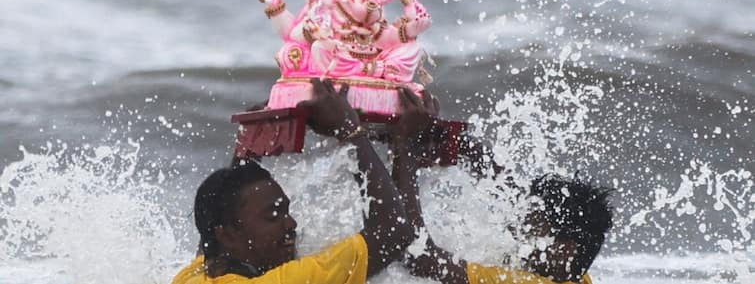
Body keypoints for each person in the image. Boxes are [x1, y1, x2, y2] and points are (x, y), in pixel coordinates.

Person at [172, 78, 420, 284]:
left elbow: (218, 215)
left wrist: (249, 146)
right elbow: (393, 234)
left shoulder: (193, 276)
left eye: (285, 211)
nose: (290, 223)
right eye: (272, 215)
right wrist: (351, 131)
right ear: (227, 236)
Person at [390, 88, 614, 284]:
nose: (517, 222)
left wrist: (405, 148)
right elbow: (507, 187)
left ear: (564, 250)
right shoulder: (575, 276)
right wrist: (453, 141)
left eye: (532, 220)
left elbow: (419, 257)